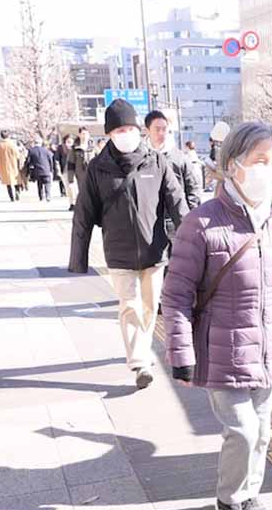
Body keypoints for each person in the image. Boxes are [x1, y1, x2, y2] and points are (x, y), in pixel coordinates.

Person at [162, 121, 272, 510]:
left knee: (264, 431)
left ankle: (250, 491)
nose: (269, 171)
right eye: (259, 162)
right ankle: (229, 500)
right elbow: (176, 295)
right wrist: (179, 351)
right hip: (220, 353)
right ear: (232, 165)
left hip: (269, 352)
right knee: (243, 431)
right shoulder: (201, 224)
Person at [68, 99, 186, 389]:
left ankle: (141, 351)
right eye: (119, 129)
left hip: (154, 251)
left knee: (149, 306)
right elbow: (83, 214)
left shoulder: (156, 162)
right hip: (118, 254)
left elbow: (177, 203)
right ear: (109, 134)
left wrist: (194, 243)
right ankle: (139, 363)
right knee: (129, 305)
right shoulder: (98, 168)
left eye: (129, 128)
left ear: (138, 130)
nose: (125, 133)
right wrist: (78, 259)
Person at [145, 110, 202, 216]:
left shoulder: (179, 158)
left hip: (176, 220)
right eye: (157, 129)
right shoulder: (141, 157)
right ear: (147, 130)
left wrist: (191, 215)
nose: (161, 133)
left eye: (164, 129)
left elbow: (193, 187)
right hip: (149, 221)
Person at [26, 134, 56, 202]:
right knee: (47, 183)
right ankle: (48, 196)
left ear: (34, 143)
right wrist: (51, 169)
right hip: (46, 170)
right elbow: (51, 159)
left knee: (39, 184)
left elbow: (29, 161)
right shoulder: (46, 150)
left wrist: (28, 171)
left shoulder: (31, 151)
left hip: (37, 170)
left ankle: (41, 197)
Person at [0, 130, 22, 202]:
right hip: (13, 164)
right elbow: (17, 155)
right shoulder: (12, 144)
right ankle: (17, 192)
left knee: (8, 182)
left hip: (4, 165)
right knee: (16, 179)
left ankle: (11, 197)